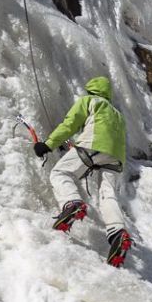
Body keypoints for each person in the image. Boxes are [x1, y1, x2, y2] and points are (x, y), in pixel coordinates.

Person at [34, 76, 132, 267]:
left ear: (91, 90)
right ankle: (118, 231)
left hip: (92, 147)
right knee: (108, 194)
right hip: (115, 157)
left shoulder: (89, 101)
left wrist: (48, 145)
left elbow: (70, 124)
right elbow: (103, 133)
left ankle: (73, 203)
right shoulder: (117, 114)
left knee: (60, 173)